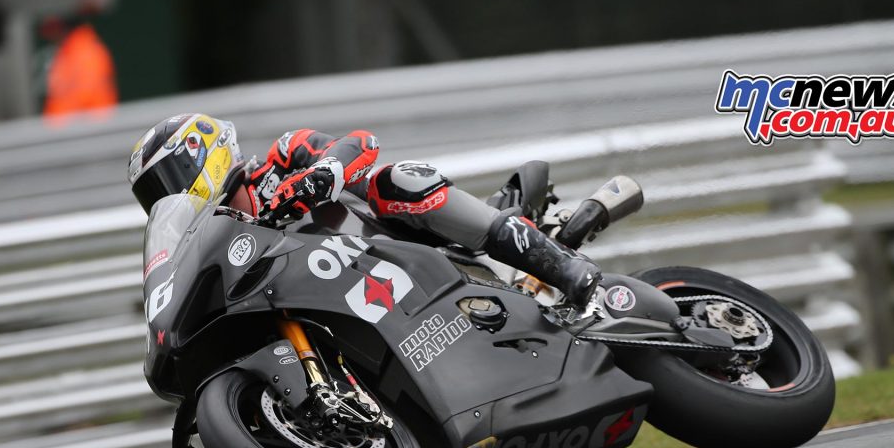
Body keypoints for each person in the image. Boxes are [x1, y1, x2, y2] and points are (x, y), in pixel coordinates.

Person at [128, 113, 601, 306]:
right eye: (156, 195)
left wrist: (323, 173)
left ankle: (559, 266)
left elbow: (359, 142)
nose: (168, 198)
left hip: (399, 242)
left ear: (201, 154)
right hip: (356, 297)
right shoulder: (219, 244)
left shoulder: (282, 154)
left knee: (395, 180)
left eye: (168, 182)